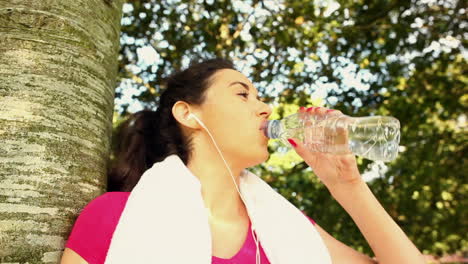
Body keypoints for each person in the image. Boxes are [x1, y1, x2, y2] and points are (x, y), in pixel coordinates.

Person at [60, 58, 425, 264]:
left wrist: (348, 185)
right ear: (188, 114)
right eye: (242, 94)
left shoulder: (287, 228)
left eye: (260, 97)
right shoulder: (114, 217)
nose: (265, 108)